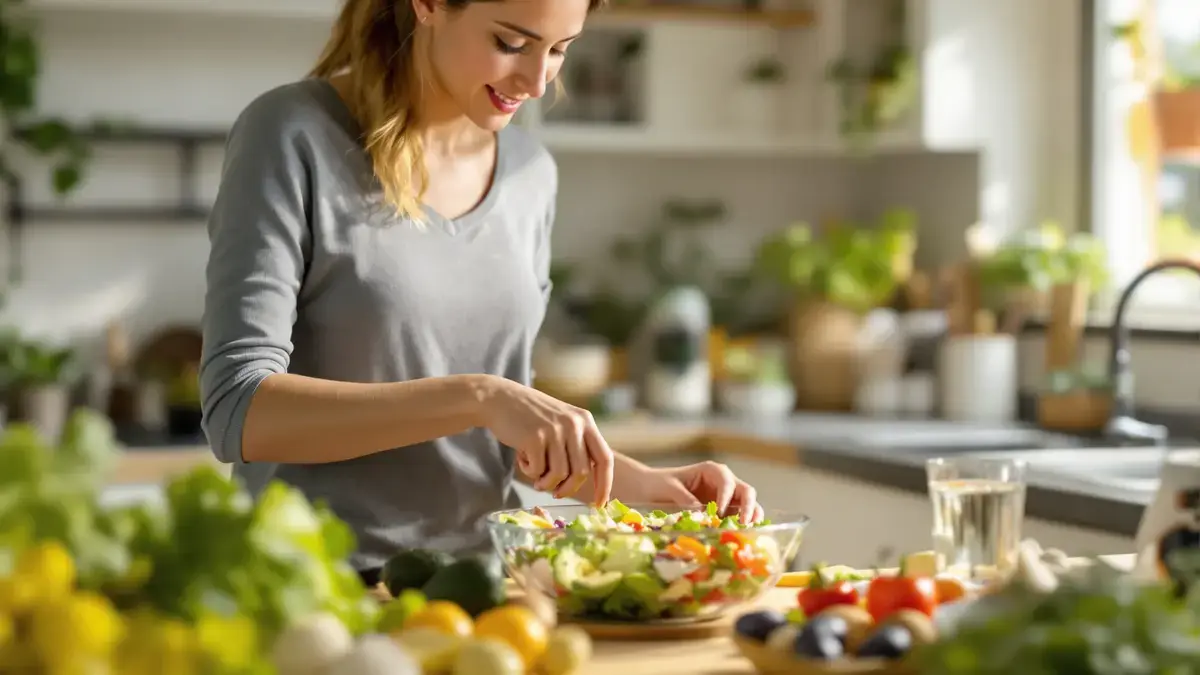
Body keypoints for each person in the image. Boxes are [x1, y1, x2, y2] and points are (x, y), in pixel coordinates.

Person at [198, 0, 764, 584]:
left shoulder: (529, 174)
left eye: (560, 50)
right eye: (512, 44)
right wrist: (481, 397)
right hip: (318, 587)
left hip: (487, 587)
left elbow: (495, 433)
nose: (538, 82)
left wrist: (644, 482)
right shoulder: (293, 134)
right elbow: (237, 409)